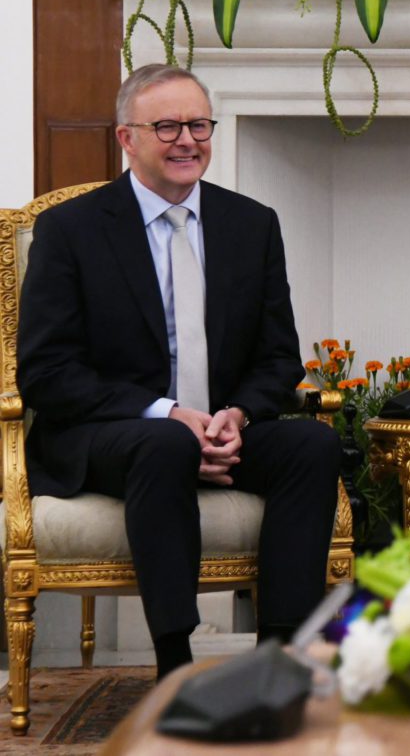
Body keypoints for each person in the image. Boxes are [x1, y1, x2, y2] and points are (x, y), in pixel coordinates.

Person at [17, 64, 342, 679]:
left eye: (198, 124)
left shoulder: (252, 224)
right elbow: (47, 371)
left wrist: (236, 416)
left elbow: (279, 357)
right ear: (126, 138)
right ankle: (175, 663)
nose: (187, 140)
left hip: (222, 425)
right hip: (111, 431)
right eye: (166, 126)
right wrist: (167, 413)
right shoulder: (72, 231)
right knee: (165, 442)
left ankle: (276, 657)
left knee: (311, 442)